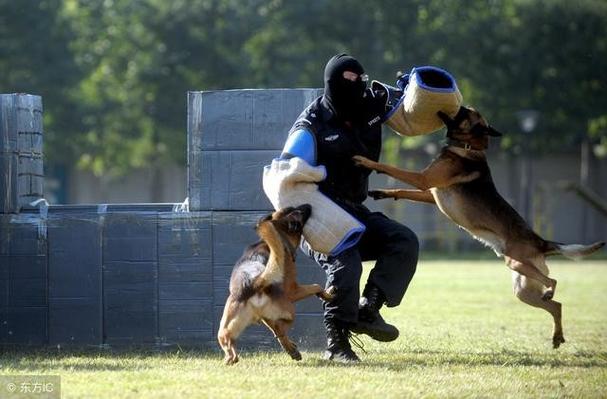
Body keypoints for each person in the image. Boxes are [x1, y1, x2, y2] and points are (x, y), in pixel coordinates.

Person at [279, 54, 419, 363]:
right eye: (350, 81)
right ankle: (336, 343)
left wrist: (422, 93)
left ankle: (367, 311)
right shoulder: (310, 126)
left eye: (362, 80)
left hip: (354, 211)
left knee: (403, 240)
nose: (359, 87)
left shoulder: (372, 101)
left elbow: (416, 114)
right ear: (332, 85)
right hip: (316, 216)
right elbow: (282, 176)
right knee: (347, 261)